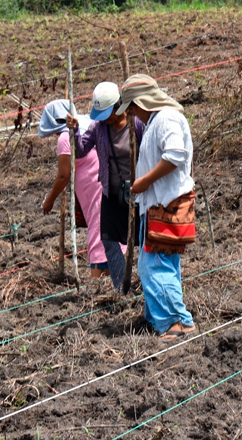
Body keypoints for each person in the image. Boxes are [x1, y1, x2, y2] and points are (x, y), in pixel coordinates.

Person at [116, 74, 197, 339]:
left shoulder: (166, 119)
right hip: (158, 205)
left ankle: (172, 324)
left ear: (141, 102)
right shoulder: (157, 121)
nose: (131, 114)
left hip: (166, 204)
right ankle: (175, 319)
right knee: (161, 263)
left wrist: (143, 182)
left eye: (131, 107)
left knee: (155, 265)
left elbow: (175, 156)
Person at [66, 82, 144, 292]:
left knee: (143, 238)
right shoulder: (98, 129)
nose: (105, 119)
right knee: (108, 240)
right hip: (111, 193)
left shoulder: (136, 124)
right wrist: (74, 132)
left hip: (139, 192)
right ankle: (121, 287)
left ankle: (146, 281)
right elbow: (81, 151)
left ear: (118, 107)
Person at [38, 100, 107, 278]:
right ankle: (110, 278)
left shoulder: (64, 138)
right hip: (103, 183)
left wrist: (49, 201)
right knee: (106, 232)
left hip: (93, 188)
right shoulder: (84, 126)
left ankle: (97, 283)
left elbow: (63, 175)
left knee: (98, 233)